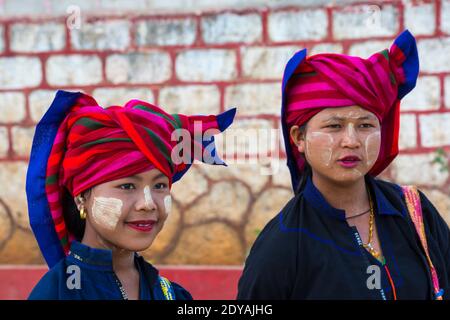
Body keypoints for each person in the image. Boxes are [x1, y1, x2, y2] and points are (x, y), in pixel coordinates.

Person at [237, 30, 449, 300]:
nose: (351, 141)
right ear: (298, 138)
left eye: (365, 125)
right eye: (334, 126)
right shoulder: (283, 244)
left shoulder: (414, 211)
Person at [26, 90, 236, 300]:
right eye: (127, 186)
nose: (148, 204)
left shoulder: (174, 295)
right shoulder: (56, 294)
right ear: (81, 197)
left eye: (160, 185)